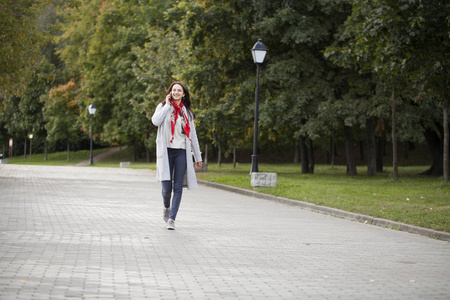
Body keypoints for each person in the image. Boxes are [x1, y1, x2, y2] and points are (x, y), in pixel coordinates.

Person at [151, 81, 202, 230]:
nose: (176, 93)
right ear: (170, 92)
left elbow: (193, 136)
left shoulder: (187, 113)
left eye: (179, 90)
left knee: (178, 187)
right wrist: (167, 105)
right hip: (166, 151)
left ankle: (172, 219)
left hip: (181, 151)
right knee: (166, 189)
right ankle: (166, 207)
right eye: (174, 90)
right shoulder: (162, 107)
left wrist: (198, 157)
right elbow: (155, 121)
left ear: (184, 94)